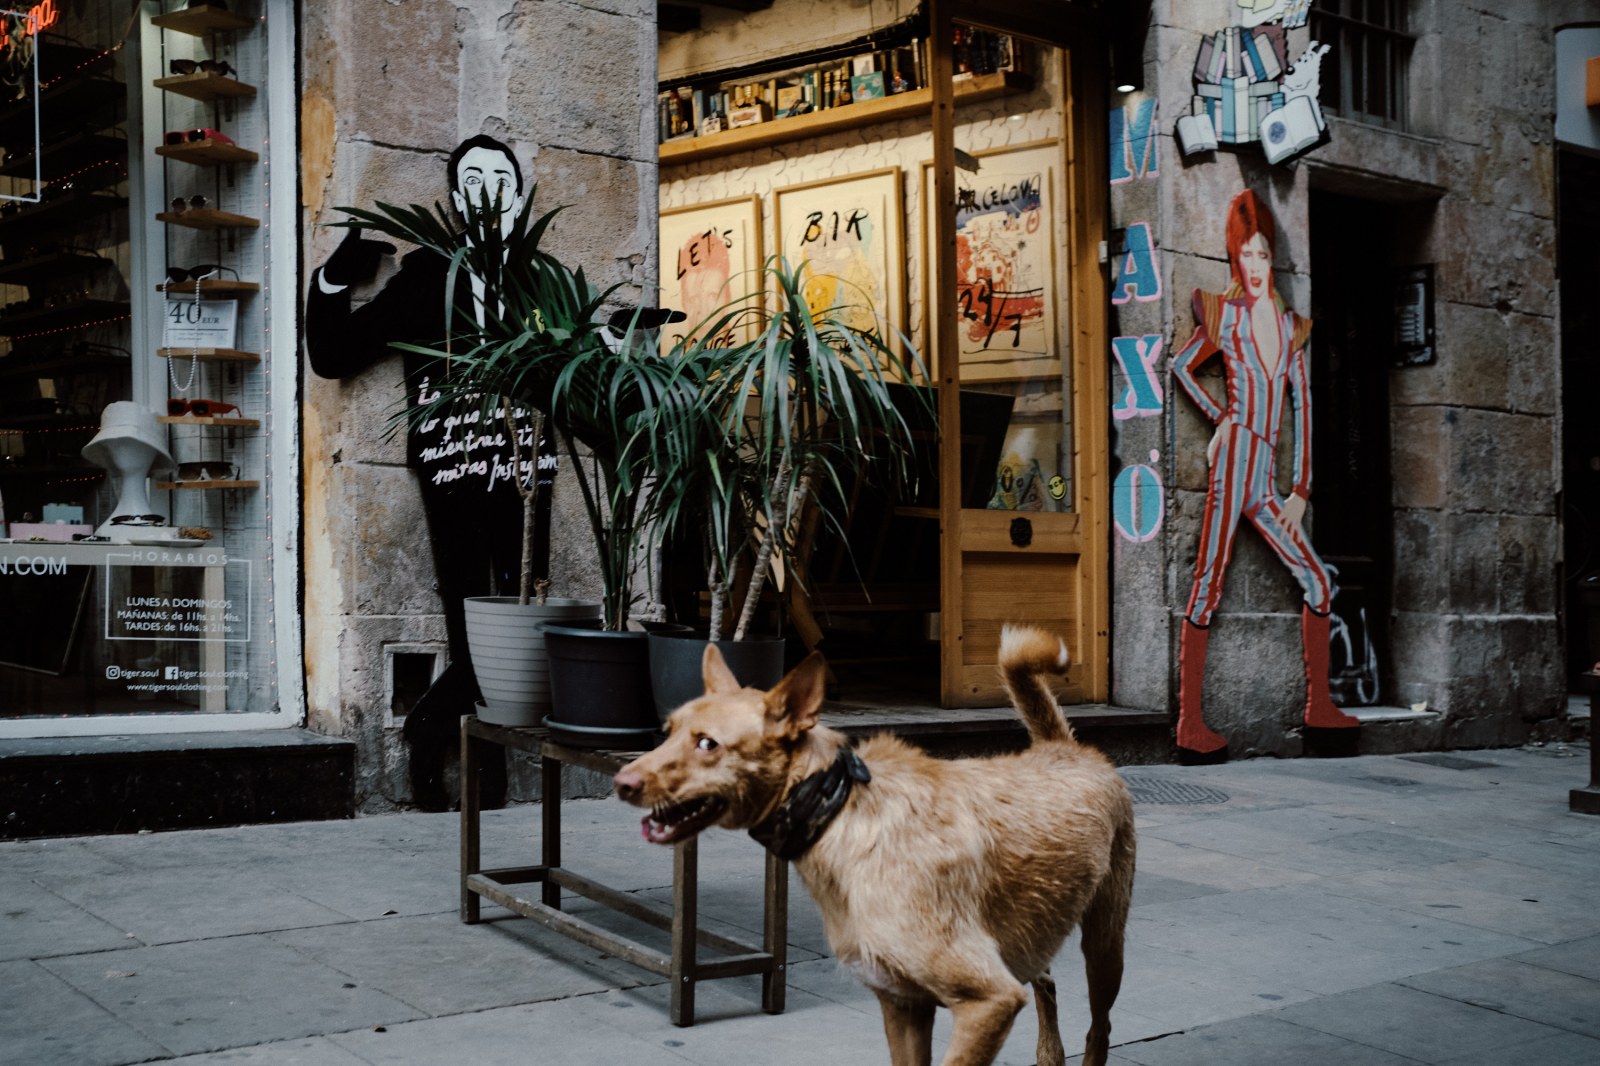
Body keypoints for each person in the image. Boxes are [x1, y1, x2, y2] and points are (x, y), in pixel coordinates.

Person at [306, 134, 541, 810]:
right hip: (452, 464)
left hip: (527, 467)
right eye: (474, 179)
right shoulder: (427, 276)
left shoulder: (537, 282)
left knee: (527, 617)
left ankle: (461, 743)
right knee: (472, 617)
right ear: (458, 200)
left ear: (518, 196)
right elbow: (334, 354)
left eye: (502, 177)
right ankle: (442, 740)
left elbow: (567, 364)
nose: (490, 189)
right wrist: (334, 278)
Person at [1169, 188, 1360, 764]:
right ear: (1234, 259)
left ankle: (1319, 708)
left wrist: (1301, 488)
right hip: (1233, 467)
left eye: (1260, 254)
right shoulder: (1224, 317)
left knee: (1319, 581)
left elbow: (1303, 410)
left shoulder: (1293, 328)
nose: (1253, 266)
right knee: (1209, 583)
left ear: (1270, 257)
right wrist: (1221, 417)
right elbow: (1181, 366)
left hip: (1267, 481)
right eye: (1244, 255)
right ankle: (1189, 723)